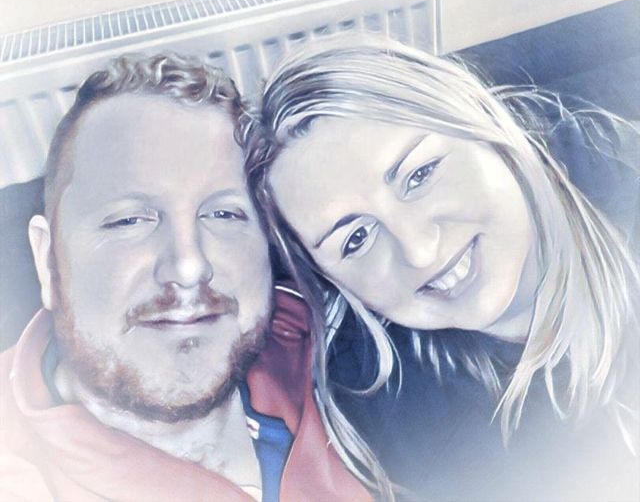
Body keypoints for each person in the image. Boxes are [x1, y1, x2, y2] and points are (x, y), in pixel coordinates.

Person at [244, 38, 640, 502]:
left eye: (420, 174)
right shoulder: (405, 428)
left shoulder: (621, 170)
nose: (419, 250)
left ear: (480, 120)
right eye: (356, 238)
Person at [0, 53, 371, 502]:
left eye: (224, 214)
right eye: (129, 220)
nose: (189, 266)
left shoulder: (343, 342)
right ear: (47, 259)